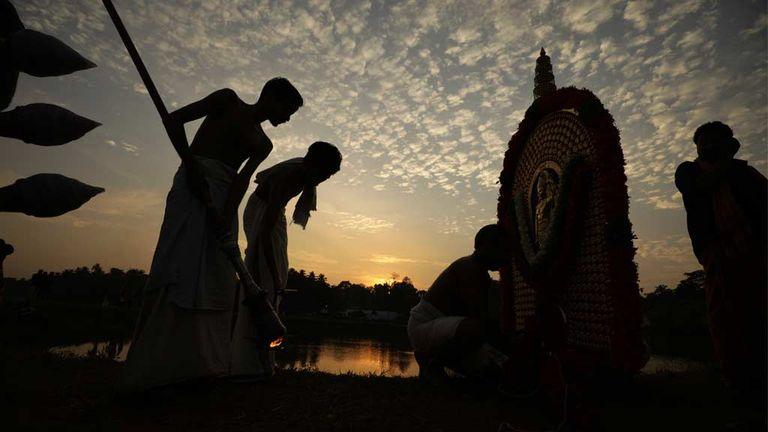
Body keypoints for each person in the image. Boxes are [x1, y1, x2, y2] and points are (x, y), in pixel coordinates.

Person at [121, 78, 303, 392]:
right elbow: (174, 120)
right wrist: (191, 167)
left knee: (218, 275)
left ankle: (203, 365)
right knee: (180, 263)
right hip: (192, 185)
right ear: (271, 96)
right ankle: (154, 368)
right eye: (287, 110)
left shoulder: (264, 143)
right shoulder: (226, 100)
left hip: (223, 197)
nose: (286, 119)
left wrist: (225, 213)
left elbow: (242, 180)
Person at [231, 141, 342, 379]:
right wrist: (273, 276)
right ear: (313, 165)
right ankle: (252, 361)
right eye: (324, 174)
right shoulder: (289, 178)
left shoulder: (305, 172)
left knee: (276, 278)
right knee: (264, 279)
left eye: (328, 176)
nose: (323, 180)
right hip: (262, 213)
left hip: (274, 213)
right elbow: (263, 235)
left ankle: (263, 358)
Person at [675, 121, 767, 400]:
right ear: (697, 147)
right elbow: (699, 188)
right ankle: (737, 380)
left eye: (716, 141)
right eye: (705, 141)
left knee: (758, 313)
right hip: (715, 252)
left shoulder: (744, 173)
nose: (709, 146)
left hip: (755, 249)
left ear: (726, 144)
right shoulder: (688, 171)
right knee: (724, 317)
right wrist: (729, 160)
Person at [407, 224, 515, 385]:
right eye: (502, 249)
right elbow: (480, 322)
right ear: (486, 246)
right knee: (479, 331)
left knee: (494, 371)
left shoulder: (483, 277)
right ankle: (432, 364)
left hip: (449, 328)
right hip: (424, 326)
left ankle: (431, 361)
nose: (505, 256)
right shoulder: (468, 268)